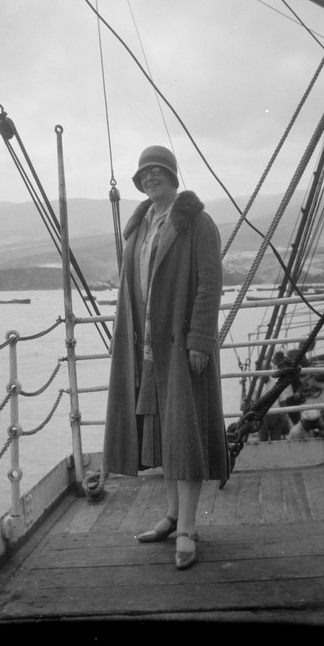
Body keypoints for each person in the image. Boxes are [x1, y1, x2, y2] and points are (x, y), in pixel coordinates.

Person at [103, 145, 229, 571]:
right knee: (162, 433)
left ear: (173, 177)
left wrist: (200, 341)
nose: (150, 177)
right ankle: (173, 515)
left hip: (181, 346)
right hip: (145, 347)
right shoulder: (139, 227)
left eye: (158, 171)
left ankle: (189, 529)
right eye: (144, 173)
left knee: (185, 435)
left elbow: (211, 284)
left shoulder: (197, 223)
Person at [258, 351, 293, 441]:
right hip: (262, 415)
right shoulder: (256, 385)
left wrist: (284, 415)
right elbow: (252, 402)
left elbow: (282, 400)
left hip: (275, 414)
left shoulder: (276, 383)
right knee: (262, 438)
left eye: (267, 370)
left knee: (276, 438)